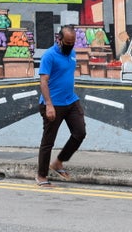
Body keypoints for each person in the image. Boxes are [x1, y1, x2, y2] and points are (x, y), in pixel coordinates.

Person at [36, 25, 86, 187]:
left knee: (80, 133)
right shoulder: (49, 56)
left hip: (70, 101)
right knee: (48, 141)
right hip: (53, 104)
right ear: (59, 39)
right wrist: (49, 105)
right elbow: (43, 81)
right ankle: (41, 176)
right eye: (67, 42)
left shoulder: (71, 52)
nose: (70, 46)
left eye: (73, 43)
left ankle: (58, 162)